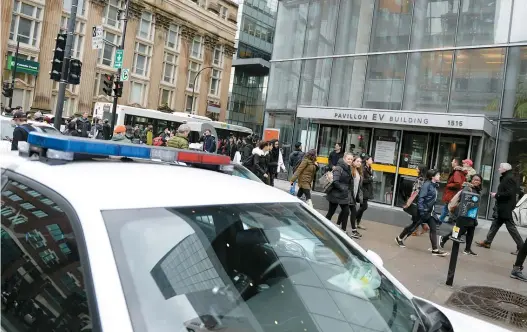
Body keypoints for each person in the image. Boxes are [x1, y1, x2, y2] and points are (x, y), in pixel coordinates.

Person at [397, 169, 448, 257]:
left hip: (429, 212)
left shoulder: (434, 185)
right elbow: (421, 198)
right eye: (438, 174)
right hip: (423, 211)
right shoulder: (427, 185)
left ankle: (435, 249)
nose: (439, 176)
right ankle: (399, 238)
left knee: (433, 228)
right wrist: (422, 210)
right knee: (413, 226)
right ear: (432, 177)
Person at [476, 163, 524, 254]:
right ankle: (487, 242)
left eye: (500, 167)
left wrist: (496, 195)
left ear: (505, 169)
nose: (498, 169)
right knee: (495, 224)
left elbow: (509, 193)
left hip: (506, 208)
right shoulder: (507, 177)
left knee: (511, 228)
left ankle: (522, 247)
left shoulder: (509, 178)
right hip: (503, 207)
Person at [439, 174, 483, 256]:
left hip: (472, 214)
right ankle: (444, 238)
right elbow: (464, 199)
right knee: (459, 231)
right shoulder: (467, 188)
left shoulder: (477, 190)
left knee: (471, 231)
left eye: (478, 180)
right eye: (474, 179)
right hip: (463, 214)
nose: (476, 181)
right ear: (471, 180)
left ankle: (467, 249)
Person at [396, 165, 429, 242]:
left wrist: (409, 202)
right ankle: (422, 227)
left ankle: (400, 238)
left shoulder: (420, 179)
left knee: (415, 219)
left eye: (418, 168)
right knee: (416, 219)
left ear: (420, 170)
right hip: (421, 201)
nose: (416, 169)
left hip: (416, 201)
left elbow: (415, 192)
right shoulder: (425, 179)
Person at [325, 153, 352, 233]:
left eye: (351, 159)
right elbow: (335, 181)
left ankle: (343, 230)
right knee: (331, 212)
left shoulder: (348, 168)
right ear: (344, 159)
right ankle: (324, 226)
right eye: (348, 159)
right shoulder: (339, 168)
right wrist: (342, 188)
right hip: (335, 194)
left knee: (346, 211)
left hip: (343, 195)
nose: (350, 160)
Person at [439, 158, 466, 224]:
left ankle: (439, 221)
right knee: (448, 208)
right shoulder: (458, 172)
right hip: (453, 193)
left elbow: (458, 183)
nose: (451, 162)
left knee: (447, 208)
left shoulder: (456, 172)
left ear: (456, 163)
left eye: (453, 161)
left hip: (452, 193)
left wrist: (448, 185)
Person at [347, 154, 364, 239]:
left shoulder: (358, 171)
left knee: (346, 212)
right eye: (357, 161)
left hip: (353, 195)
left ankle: (351, 230)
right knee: (348, 212)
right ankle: (353, 230)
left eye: (360, 162)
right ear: (353, 162)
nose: (359, 163)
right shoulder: (350, 170)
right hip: (349, 195)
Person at [356, 153, 373, 230]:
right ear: (366, 161)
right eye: (371, 159)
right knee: (364, 206)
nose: (372, 160)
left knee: (362, 207)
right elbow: (362, 180)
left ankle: (357, 222)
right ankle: (355, 219)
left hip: (367, 190)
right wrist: (370, 179)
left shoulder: (369, 168)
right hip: (363, 190)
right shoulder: (363, 168)